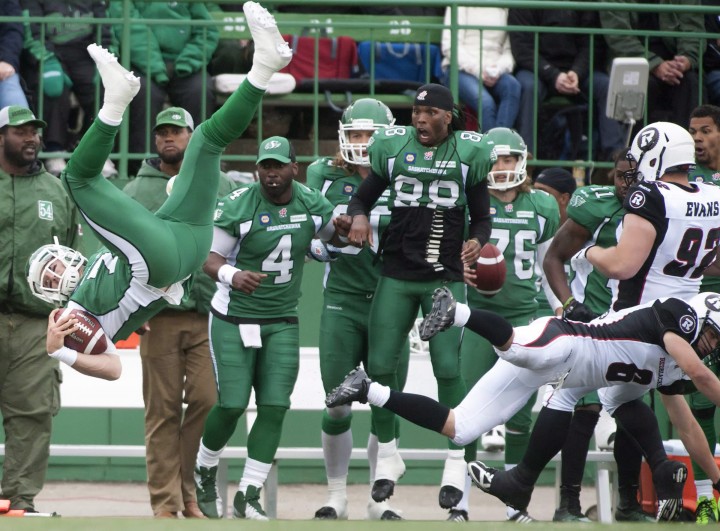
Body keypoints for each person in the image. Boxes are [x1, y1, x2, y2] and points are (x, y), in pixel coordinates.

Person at [26, 2, 293, 380]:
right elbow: (113, 367)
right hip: (157, 263)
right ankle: (116, 99)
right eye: (52, 280)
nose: (59, 274)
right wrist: (60, 352)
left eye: (52, 267)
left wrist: (135, 315)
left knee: (204, 139)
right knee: (76, 179)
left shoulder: (98, 270)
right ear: (50, 296)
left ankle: (264, 66)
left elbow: (128, 290)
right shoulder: (71, 316)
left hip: (183, 244)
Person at [327, 288, 720, 522]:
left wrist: (715, 479)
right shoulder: (680, 316)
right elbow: (700, 374)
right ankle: (457, 312)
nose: (713, 344)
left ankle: (367, 389)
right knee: (519, 349)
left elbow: (685, 426)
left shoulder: (671, 372)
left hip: (567, 377)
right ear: (700, 316)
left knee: (460, 427)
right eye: (714, 334)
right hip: (567, 339)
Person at [344, 82, 493, 512]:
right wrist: (356, 216)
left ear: (448, 117)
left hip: (444, 276)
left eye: (430, 113)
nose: (421, 119)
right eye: (416, 112)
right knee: (379, 364)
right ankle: (388, 455)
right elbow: (363, 196)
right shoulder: (393, 148)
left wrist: (478, 241)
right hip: (397, 270)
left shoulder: (469, 154)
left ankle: (456, 457)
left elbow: (481, 217)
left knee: (448, 366)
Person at [192, 135, 346, 520]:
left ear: (295, 168)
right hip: (233, 316)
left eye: (279, 165)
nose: (272, 173)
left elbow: (332, 241)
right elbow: (208, 259)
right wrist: (232, 274)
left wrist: (346, 227)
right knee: (231, 404)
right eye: (266, 165)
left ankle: (249, 492)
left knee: (275, 406)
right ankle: (205, 468)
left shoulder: (312, 203)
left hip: (281, 318)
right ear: (257, 168)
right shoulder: (239, 205)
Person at [121, 107, 237, 519]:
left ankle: (189, 490)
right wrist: (131, 307)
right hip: (158, 316)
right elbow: (119, 251)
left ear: (193, 136)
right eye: (163, 133)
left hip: (209, 314)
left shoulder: (220, 182)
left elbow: (236, 238)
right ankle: (166, 504)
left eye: (178, 132)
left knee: (207, 402)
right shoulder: (137, 190)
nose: (170, 139)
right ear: (155, 141)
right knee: (162, 412)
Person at [446, 127, 561, 523]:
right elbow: (448, 261)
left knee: (520, 416)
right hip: (478, 318)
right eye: (494, 159)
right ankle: (459, 504)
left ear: (521, 161)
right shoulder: (468, 204)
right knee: (466, 413)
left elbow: (549, 266)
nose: (501, 167)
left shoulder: (542, 206)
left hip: (524, 319)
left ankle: (515, 504)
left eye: (508, 159)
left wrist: (561, 306)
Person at [305, 98, 405, 521]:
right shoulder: (322, 176)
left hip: (392, 299)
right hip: (342, 299)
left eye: (372, 136)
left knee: (386, 401)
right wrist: (324, 247)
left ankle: (380, 501)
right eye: (357, 134)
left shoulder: (408, 175)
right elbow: (308, 237)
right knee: (337, 402)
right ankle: (336, 494)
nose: (363, 144)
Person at [542, 151, 644, 522]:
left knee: (632, 411)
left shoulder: (659, 208)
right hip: (590, 326)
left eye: (632, 176)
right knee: (583, 410)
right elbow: (553, 257)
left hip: (633, 326)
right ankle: (567, 503)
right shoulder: (595, 206)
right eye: (619, 176)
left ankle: (629, 504)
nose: (625, 184)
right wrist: (569, 303)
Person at [0, 105, 81, 512]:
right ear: (1, 137)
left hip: (37, 322)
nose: (31, 138)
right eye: (20, 131)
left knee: (33, 414)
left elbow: (69, 252)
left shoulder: (56, 190)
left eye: (34, 131)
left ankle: (18, 501)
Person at [106, 0, 219, 174]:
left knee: (199, 91)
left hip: (185, 63)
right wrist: (156, 66)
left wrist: (187, 62)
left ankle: (200, 165)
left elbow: (206, 29)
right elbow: (131, 31)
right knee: (142, 93)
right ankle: (142, 167)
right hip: (142, 63)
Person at [508, 7, 625, 160]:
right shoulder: (522, 5)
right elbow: (522, 48)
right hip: (537, 69)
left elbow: (591, 44)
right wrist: (553, 74)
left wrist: (577, 71)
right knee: (528, 87)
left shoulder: (584, 4)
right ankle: (526, 155)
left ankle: (615, 156)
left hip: (577, 72)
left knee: (606, 86)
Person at [20, 0, 117, 177]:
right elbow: (31, 30)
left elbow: (106, 31)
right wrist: (45, 58)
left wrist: (105, 58)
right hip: (50, 52)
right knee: (54, 85)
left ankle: (96, 151)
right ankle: (54, 150)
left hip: (85, 54)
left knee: (105, 86)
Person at [687, 103, 720, 522]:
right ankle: (705, 499)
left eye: (706, 130)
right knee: (698, 403)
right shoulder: (683, 178)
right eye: (692, 131)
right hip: (696, 299)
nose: (697, 138)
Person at [599, 0, 703, 129]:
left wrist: (686, 60)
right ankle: (637, 146)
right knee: (640, 84)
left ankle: (687, 143)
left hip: (675, 63)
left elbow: (693, 29)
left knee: (691, 82)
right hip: (633, 61)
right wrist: (654, 64)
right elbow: (619, 36)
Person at [440, 6, 520, 132]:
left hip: (494, 69)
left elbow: (509, 50)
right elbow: (450, 46)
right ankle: (491, 148)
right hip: (461, 69)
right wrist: (479, 70)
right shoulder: (459, 5)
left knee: (512, 86)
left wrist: (498, 69)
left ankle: (501, 142)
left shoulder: (505, 7)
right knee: (486, 103)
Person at [0, 0, 29, 108]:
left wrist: (7, 60)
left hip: (1, 66)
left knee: (12, 95)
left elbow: (13, 29)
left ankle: (21, 125)